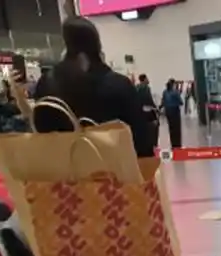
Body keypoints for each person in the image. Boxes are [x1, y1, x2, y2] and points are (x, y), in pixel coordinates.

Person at [13, 17, 154, 158]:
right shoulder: (120, 85)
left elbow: (42, 135)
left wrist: (20, 100)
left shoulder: (47, 85)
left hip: (65, 175)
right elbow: (142, 144)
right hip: (116, 174)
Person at [160, 78, 183, 148]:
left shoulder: (164, 92)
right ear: (173, 84)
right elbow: (181, 102)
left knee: (171, 128)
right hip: (175, 111)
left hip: (168, 112)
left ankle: (173, 144)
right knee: (177, 129)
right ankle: (177, 144)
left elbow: (163, 102)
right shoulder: (175, 92)